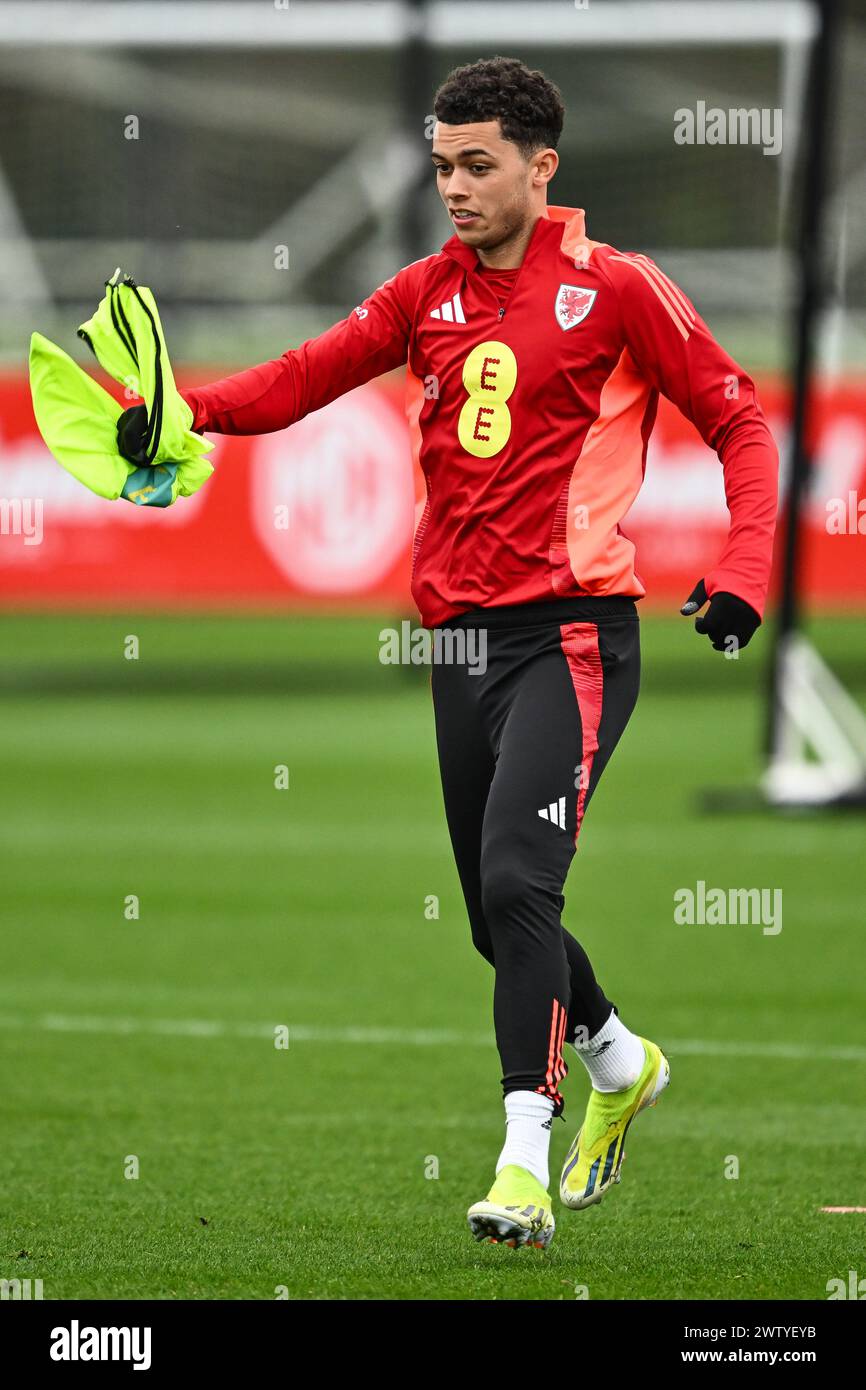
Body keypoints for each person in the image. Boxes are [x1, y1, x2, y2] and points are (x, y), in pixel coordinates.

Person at [118, 55, 779, 1251]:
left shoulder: (616, 288)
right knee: (493, 915)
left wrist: (742, 568)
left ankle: (521, 1160)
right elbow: (305, 376)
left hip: (572, 636)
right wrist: (187, 409)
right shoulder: (425, 290)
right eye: (440, 167)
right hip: (456, 646)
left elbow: (735, 415)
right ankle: (621, 1063)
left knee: (522, 888)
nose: (455, 189)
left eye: (477, 166)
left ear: (542, 167)